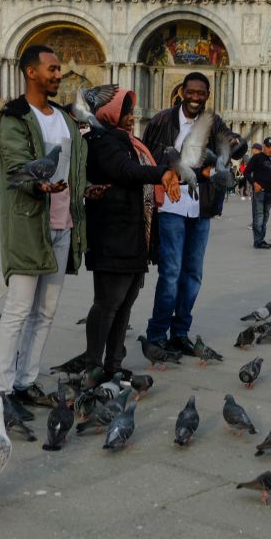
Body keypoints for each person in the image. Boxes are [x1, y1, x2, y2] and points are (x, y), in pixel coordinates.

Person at [0, 43, 87, 418]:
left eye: (58, 68)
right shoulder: (14, 116)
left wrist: (85, 188)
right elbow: (15, 164)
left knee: (46, 311)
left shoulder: (64, 117)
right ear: (31, 72)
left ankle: (25, 381)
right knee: (18, 310)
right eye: (51, 68)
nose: (57, 74)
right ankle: (2, 390)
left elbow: (76, 163)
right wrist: (39, 186)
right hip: (30, 223)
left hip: (63, 222)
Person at [141, 71, 246, 355]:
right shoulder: (162, 120)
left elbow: (231, 144)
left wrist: (238, 144)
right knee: (171, 272)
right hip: (169, 206)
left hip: (200, 206)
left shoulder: (213, 122)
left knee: (193, 273)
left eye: (201, 93)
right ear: (182, 92)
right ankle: (157, 333)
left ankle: (180, 332)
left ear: (208, 95)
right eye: (192, 92)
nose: (196, 98)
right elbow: (146, 157)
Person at [83, 88, 179, 378]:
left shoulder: (130, 143)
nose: (130, 118)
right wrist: (160, 172)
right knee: (107, 305)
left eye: (131, 112)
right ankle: (93, 367)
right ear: (108, 113)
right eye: (124, 112)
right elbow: (124, 171)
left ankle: (113, 365)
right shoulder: (101, 140)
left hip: (136, 234)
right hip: (113, 234)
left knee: (124, 306)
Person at [245, 137, 271, 249]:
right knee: (259, 215)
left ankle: (262, 239)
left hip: (270, 193)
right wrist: (254, 183)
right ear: (264, 146)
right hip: (259, 192)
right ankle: (258, 241)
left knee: (265, 216)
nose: (270, 149)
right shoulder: (257, 158)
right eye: (268, 146)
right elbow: (246, 172)